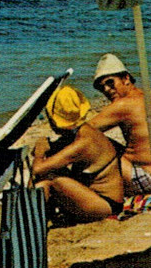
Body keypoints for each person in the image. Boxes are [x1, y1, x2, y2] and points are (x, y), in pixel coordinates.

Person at [31, 84, 128, 222]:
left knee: (49, 179)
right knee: (51, 171)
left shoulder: (82, 144)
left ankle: (33, 222)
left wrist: (40, 152)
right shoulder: (86, 130)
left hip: (106, 205)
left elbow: (37, 169)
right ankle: (38, 219)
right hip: (101, 199)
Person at [89, 53, 151, 196]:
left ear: (126, 78)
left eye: (110, 83)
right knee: (96, 141)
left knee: (89, 143)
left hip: (148, 180)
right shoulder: (144, 97)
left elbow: (83, 131)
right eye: (101, 87)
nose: (106, 90)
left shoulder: (125, 104)